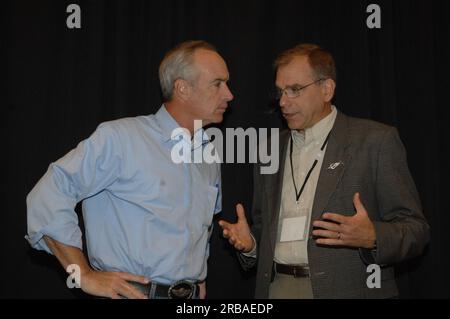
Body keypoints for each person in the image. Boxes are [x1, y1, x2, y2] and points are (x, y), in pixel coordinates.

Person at [219, 43, 430, 299]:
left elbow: (416, 230)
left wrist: (374, 236)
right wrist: (251, 244)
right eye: (280, 92)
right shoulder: (268, 150)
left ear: (326, 89)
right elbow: (266, 228)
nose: (283, 102)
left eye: (294, 90)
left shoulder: (375, 141)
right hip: (278, 288)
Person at [26, 40, 233, 299]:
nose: (229, 94)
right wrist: (84, 275)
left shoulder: (207, 154)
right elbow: (48, 195)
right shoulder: (121, 139)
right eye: (218, 84)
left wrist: (199, 286)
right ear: (182, 88)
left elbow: (201, 231)